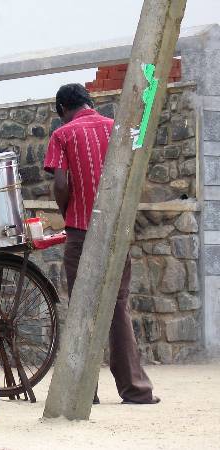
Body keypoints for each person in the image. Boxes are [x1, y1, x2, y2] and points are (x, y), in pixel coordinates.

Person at [43, 83, 160, 405]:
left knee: (83, 307)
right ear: (89, 102)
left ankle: (83, 391)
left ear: (62, 109)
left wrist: (68, 213)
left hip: (81, 232)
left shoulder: (63, 134)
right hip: (115, 231)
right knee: (117, 306)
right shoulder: (118, 130)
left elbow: (62, 183)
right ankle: (136, 390)